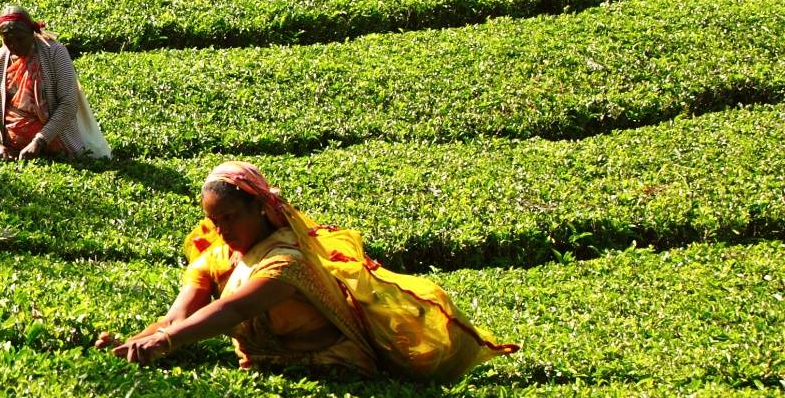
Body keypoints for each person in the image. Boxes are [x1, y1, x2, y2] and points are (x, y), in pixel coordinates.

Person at [96, 162, 516, 381]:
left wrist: (165, 344)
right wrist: (135, 343)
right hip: (265, 364)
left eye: (229, 217)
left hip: (329, 367)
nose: (221, 230)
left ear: (259, 208)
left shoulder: (287, 261)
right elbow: (177, 316)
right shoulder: (217, 255)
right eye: (214, 220)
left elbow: (231, 312)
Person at [0, 5, 111, 161]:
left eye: (20, 39)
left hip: (59, 147)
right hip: (13, 151)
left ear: (32, 32)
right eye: (8, 40)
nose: (14, 45)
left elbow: (68, 104)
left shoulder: (55, 53)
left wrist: (39, 141)